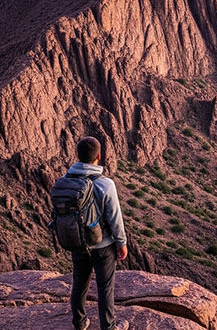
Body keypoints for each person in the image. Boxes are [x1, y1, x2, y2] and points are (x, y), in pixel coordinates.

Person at [63, 136, 129, 330]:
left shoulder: (65, 181)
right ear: (99, 156)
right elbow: (115, 218)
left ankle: (80, 322)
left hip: (77, 242)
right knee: (105, 287)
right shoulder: (105, 184)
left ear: (78, 155)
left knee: (79, 283)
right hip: (103, 245)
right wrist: (121, 242)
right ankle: (109, 326)